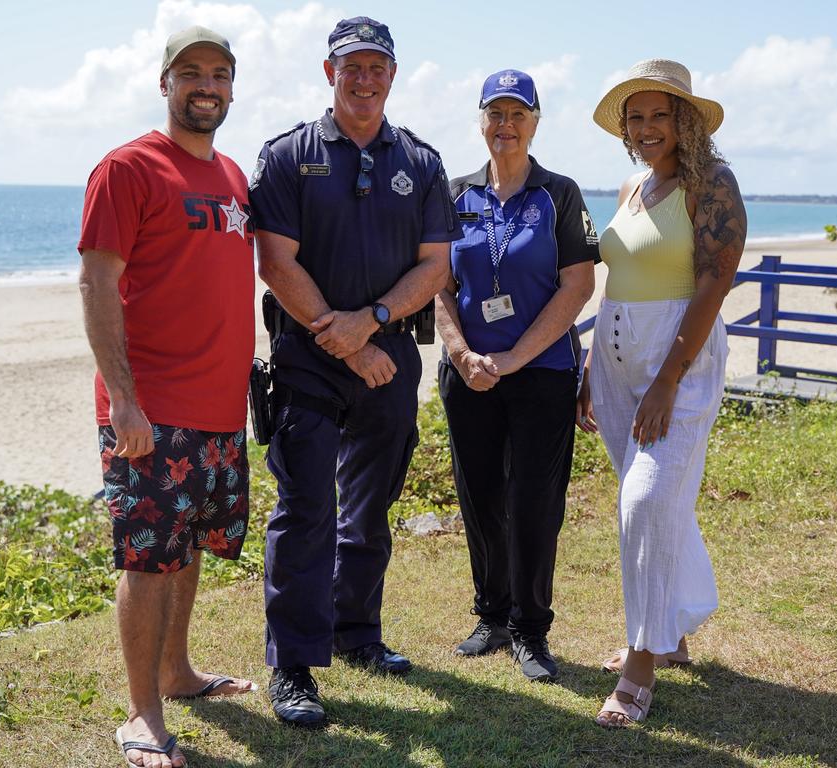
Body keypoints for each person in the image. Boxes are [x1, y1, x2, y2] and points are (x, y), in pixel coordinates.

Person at [250, 16, 460, 728]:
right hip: (306, 359)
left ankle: (357, 633)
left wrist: (369, 324)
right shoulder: (287, 155)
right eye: (351, 67)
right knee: (305, 512)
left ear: (393, 75)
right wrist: (343, 339)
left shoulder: (423, 163)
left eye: (377, 67)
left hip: (388, 359)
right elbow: (276, 261)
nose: (364, 79)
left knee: (370, 510)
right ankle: (294, 667)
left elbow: (437, 265)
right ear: (328, 72)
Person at [77, 26, 256, 768]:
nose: (205, 85)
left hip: (219, 409)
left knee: (189, 551)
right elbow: (95, 282)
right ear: (165, 83)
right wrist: (123, 399)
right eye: (191, 73)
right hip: (148, 410)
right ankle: (141, 714)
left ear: (232, 87)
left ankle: (178, 673)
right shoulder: (126, 168)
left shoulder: (235, 177)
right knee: (148, 561)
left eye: (219, 73)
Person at [578, 59, 746, 727]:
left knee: (646, 501)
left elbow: (713, 283)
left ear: (685, 121)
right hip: (617, 367)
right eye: (636, 117)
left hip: (677, 364)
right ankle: (671, 634)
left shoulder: (713, 185)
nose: (647, 128)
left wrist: (666, 381)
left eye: (660, 115)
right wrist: (593, 364)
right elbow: (616, 281)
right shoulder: (631, 186)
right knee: (656, 499)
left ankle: (640, 665)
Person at [435, 70, 598, 683]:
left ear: (535, 121)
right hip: (470, 374)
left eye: (518, 113)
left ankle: (531, 628)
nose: (506, 124)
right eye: (495, 113)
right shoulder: (453, 195)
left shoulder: (560, 193)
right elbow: (437, 285)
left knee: (533, 501)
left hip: (542, 374)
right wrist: (460, 354)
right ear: (480, 120)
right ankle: (491, 614)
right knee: (479, 497)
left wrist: (512, 360)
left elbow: (577, 286)